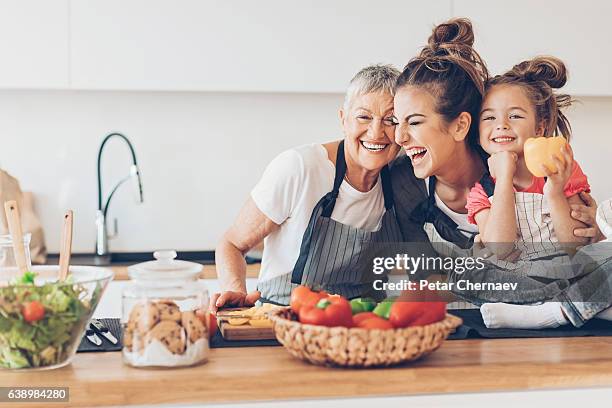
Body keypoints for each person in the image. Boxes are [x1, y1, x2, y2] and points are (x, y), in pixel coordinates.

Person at [389, 18, 609, 327]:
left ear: (462, 125)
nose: (399, 138)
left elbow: (575, 244)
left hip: (559, 279)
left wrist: (586, 217)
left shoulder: (543, 167)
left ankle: (558, 312)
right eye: (490, 118)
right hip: (498, 294)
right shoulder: (471, 184)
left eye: (413, 122)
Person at [212, 64, 406, 311]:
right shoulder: (300, 167)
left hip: (361, 326)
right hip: (282, 319)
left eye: (391, 120)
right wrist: (236, 290)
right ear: (343, 120)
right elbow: (232, 243)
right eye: (364, 117)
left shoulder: (402, 177)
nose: (376, 132)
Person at [467, 56, 589, 261]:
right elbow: (500, 251)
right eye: (489, 117)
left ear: (539, 128)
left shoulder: (561, 169)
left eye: (514, 116)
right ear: (478, 135)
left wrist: (555, 192)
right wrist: (504, 179)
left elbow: (576, 246)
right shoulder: (482, 192)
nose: (501, 125)